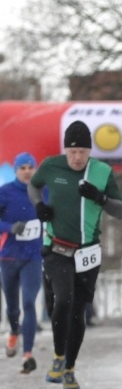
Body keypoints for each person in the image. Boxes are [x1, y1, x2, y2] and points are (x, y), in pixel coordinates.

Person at [28, 120, 122, 389]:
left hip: (88, 252)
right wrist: (39, 206)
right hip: (57, 247)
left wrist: (100, 198)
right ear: (65, 151)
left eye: (82, 151)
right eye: (72, 152)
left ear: (89, 151)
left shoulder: (102, 171)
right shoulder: (51, 165)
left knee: (79, 311)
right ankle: (58, 357)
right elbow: (33, 186)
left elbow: (120, 211)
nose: (76, 157)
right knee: (64, 299)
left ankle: (70, 368)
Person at [0, 152, 44, 373]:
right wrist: (9, 227)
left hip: (33, 257)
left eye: (30, 167)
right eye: (23, 167)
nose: (27, 171)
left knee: (29, 302)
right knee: (13, 307)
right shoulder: (5, 192)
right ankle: (14, 331)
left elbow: (54, 215)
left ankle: (27, 354)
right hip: (8, 257)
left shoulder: (43, 191)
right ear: (16, 170)